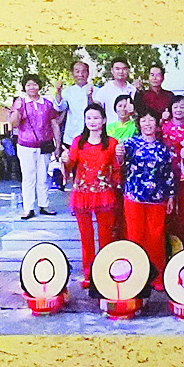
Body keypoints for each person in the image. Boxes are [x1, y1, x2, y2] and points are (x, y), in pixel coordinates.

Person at [55, 103, 120, 291]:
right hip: (82, 194)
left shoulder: (112, 143)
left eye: (96, 118)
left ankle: (105, 272)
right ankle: (89, 273)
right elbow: (70, 166)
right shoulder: (78, 142)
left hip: (104, 194)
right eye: (89, 118)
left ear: (104, 120)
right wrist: (65, 161)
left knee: (106, 236)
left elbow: (117, 169)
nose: (92, 121)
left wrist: (120, 164)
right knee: (86, 237)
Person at [119, 112, 176, 288]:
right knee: (135, 236)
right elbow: (119, 163)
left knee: (156, 237)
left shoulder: (163, 148)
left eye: (151, 120)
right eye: (144, 120)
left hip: (157, 198)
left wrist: (171, 196)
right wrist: (119, 155)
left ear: (157, 124)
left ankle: (158, 276)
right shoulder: (130, 143)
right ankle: (136, 276)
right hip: (134, 197)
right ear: (139, 123)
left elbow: (168, 173)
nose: (148, 123)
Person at [8, 76, 58, 219]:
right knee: (28, 177)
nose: (32, 87)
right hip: (25, 145)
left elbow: (54, 124)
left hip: (44, 144)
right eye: (28, 85)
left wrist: (58, 145)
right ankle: (28, 208)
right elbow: (13, 124)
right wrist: (17, 110)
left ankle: (44, 205)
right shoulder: (21, 103)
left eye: (34, 84)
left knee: (43, 176)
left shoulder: (47, 104)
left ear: (39, 86)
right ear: (24, 87)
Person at [160, 97, 184, 243]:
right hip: (166, 173)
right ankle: (167, 241)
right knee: (167, 207)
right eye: (175, 107)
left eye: (182, 107)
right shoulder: (163, 127)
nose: (178, 110)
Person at [55, 59, 98, 149]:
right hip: (72, 135)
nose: (80, 75)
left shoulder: (96, 90)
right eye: (77, 71)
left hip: (92, 135)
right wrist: (58, 92)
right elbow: (60, 108)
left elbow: (98, 110)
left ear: (88, 73)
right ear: (73, 74)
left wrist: (90, 97)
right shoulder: (67, 91)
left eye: (83, 71)